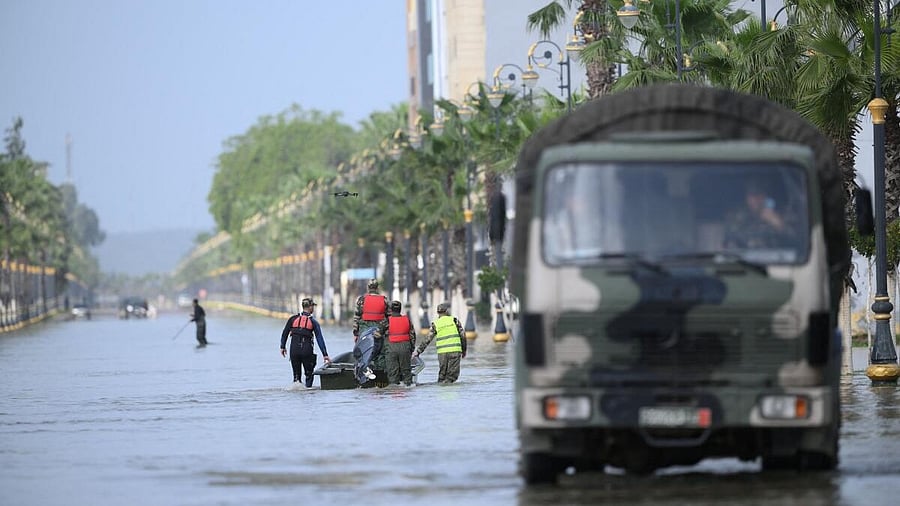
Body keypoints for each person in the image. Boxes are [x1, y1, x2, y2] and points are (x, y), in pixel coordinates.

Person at [724, 181, 796, 249]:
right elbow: (728, 241)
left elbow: (797, 240)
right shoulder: (736, 215)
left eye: (759, 194)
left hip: (778, 260)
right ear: (747, 197)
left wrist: (778, 223)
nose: (755, 199)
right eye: (752, 195)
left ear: (767, 196)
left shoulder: (785, 213)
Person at [280, 298, 331, 387]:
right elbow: (320, 339)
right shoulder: (313, 322)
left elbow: (284, 333)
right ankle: (308, 393)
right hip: (306, 351)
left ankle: (297, 394)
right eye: (313, 306)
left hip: (294, 351)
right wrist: (325, 354)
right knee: (309, 375)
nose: (313, 309)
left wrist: (282, 346)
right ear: (310, 307)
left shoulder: (292, 319)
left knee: (296, 378)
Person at [413, 302, 467, 384]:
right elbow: (463, 336)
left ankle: (441, 393)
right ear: (447, 311)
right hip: (455, 351)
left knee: (442, 375)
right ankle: (451, 394)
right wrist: (464, 350)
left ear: (438, 312)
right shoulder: (454, 320)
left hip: (442, 353)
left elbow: (427, 339)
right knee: (452, 377)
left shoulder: (436, 324)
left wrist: (418, 352)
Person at [352, 278, 390, 379]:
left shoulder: (361, 300)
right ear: (377, 288)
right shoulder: (384, 300)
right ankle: (381, 374)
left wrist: (355, 333)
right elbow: (389, 317)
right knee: (380, 352)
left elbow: (357, 317)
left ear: (368, 288)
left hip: (364, 329)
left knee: (363, 351)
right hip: (379, 329)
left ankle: (362, 371)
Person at [385, 300, 416, 386]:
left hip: (391, 348)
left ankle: (394, 390)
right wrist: (411, 348)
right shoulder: (407, 320)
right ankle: (408, 387)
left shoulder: (387, 321)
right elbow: (412, 335)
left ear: (391, 309)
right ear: (400, 309)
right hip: (405, 347)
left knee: (393, 373)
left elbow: (379, 334)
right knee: (406, 372)